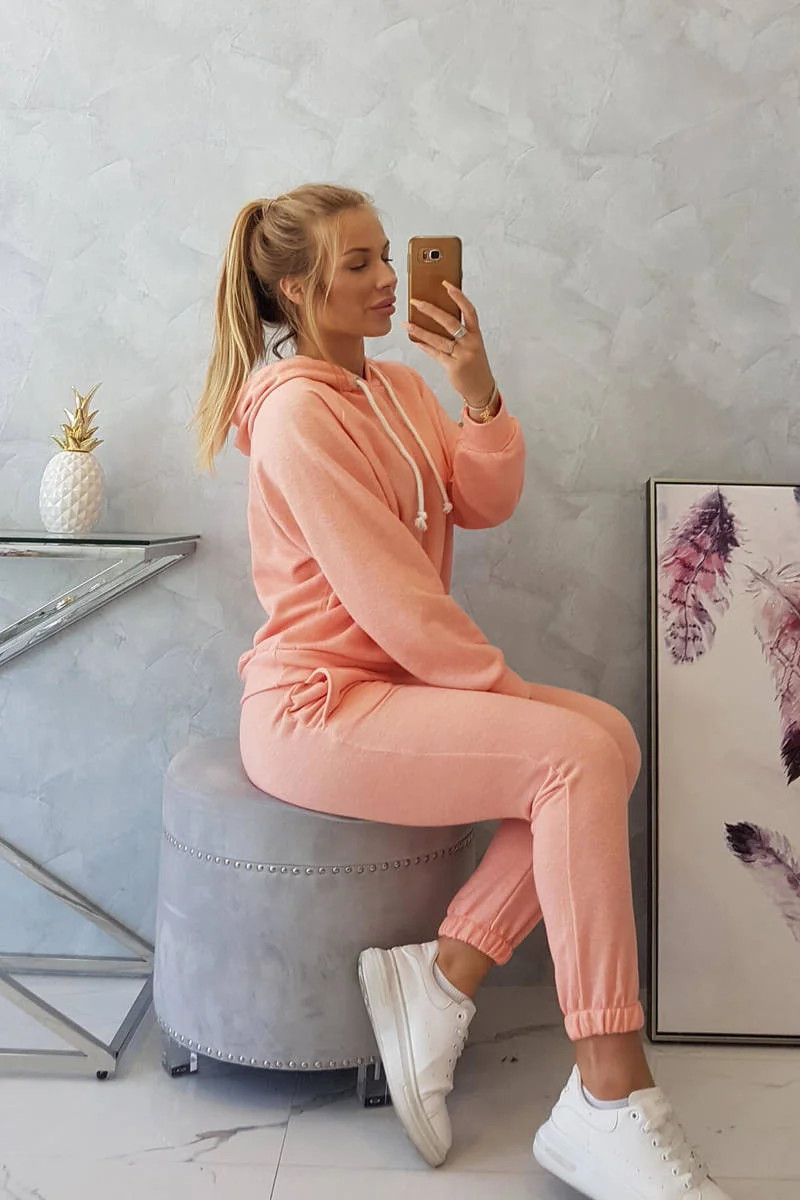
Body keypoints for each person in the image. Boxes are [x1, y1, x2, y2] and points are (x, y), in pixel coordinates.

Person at [190, 182, 729, 1197]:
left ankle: (441, 977)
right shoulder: (297, 413)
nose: (390, 280)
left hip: (395, 688)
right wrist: (505, 696)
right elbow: (392, 599)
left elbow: (482, 500)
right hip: (316, 708)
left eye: (389, 255)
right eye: (359, 264)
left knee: (608, 738)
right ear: (297, 288)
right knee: (571, 756)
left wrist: (477, 394)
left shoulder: (394, 389)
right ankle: (609, 1094)